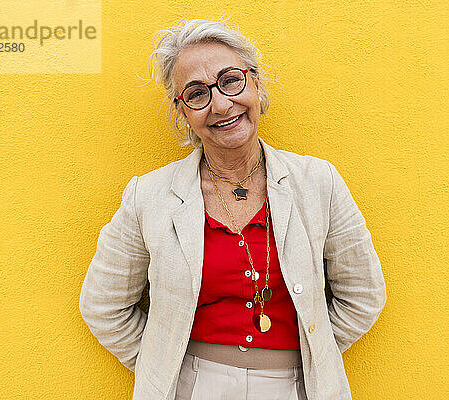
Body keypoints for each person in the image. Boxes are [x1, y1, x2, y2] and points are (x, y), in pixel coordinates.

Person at [79, 18, 387, 400]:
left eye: (230, 80)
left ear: (255, 82)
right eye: (196, 94)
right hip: (190, 387)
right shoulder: (149, 195)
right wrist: (164, 365)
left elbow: (363, 294)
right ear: (183, 112)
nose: (221, 104)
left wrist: (312, 356)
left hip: (296, 386)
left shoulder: (317, 182)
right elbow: (103, 305)